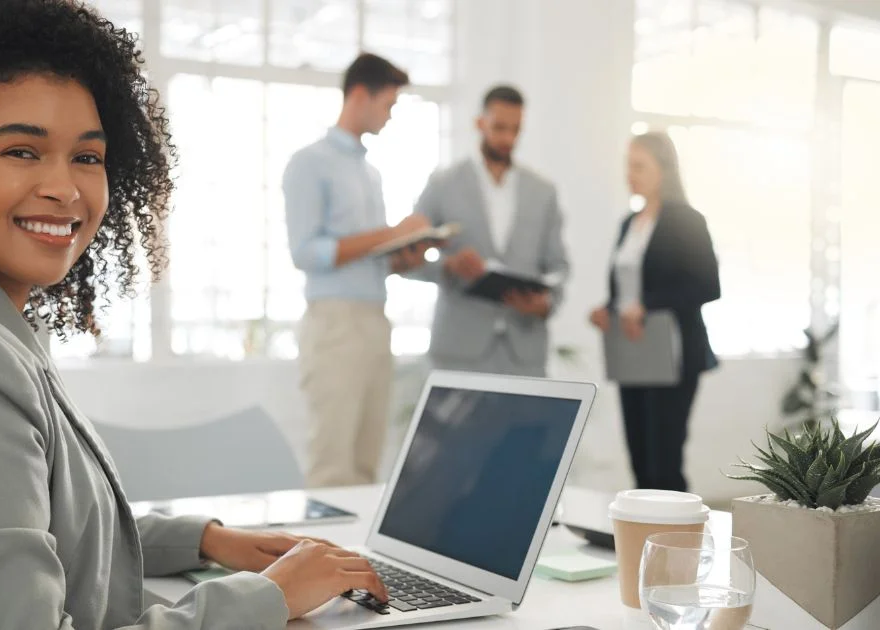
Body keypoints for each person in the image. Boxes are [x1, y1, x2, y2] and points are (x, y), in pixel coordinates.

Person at [0, 2, 387, 628]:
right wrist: (265, 598)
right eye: (21, 151)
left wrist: (204, 540)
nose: (66, 188)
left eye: (88, 157)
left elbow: (27, 521)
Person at [282, 53, 431, 489]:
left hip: (374, 321)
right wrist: (391, 232)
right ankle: (323, 558)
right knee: (333, 463)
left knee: (366, 462)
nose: (389, 116)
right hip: (335, 323)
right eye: (388, 104)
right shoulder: (309, 162)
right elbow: (306, 252)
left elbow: (367, 252)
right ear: (360, 95)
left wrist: (403, 253)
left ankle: (355, 560)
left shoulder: (370, 172)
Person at [403, 85, 569, 377]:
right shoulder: (443, 184)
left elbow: (558, 267)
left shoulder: (543, 192)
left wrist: (545, 303)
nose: (508, 138)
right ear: (480, 123)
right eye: (499, 127)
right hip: (459, 351)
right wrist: (449, 266)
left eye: (516, 129)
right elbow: (406, 257)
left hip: (524, 353)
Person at [589, 131, 720, 492]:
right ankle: (643, 543)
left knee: (665, 462)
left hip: (672, 353)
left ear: (664, 169)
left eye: (638, 166)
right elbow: (625, 290)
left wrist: (647, 305)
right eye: (627, 166)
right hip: (632, 351)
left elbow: (708, 285)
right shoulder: (628, 224)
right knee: (641, 461)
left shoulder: (687, 220)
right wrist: (609, 310)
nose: (629, 174)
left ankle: (677, 542)